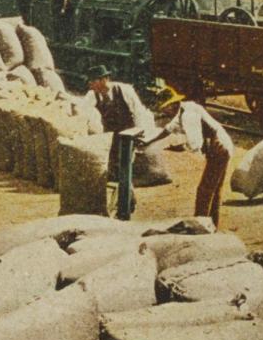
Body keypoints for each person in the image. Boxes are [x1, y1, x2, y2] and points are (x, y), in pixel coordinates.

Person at [147, 85, 234, 228]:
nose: (163, 112)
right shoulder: (183, 108)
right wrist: (149, 141)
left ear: (172, 105)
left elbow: (195, 145)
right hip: (220, 145)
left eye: (164, 108)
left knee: (204, 191)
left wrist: (175, 147)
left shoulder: (188, 115)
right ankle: (212, 225)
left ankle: (200, 226)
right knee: (214, 189)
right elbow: (168, 130)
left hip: (219, 148)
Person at [84, 64, 155, 213]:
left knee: (125, 167)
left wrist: (139, 134)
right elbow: (83, 111)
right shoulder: (93, 95)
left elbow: (138, 112)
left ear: (104, 80)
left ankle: (126, 205)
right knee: (114, 170)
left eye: (93, 81)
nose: (90, 85)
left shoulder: (124, 90)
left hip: (129, 135)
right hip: (111, 137)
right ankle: (128, 201)